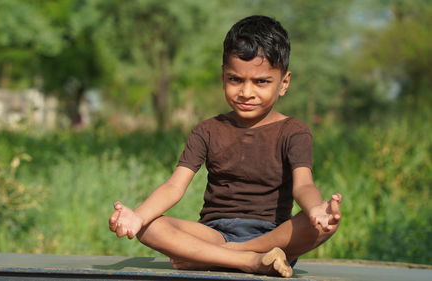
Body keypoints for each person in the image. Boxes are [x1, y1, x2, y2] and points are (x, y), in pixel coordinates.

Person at [109, 15, 342, 278]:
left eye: (261, 82)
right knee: (149, 226)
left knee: (324, 225)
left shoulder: (294, 131)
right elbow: (175, 186)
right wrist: (137, 217)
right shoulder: (207, 130)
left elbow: (304, 185)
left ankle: (223, 257)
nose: (246, 92)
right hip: (213, 235)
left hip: (272, 236)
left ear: (284, 83)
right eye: (235, 80)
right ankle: (250, 262)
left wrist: (315, 210)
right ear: (223, 76)